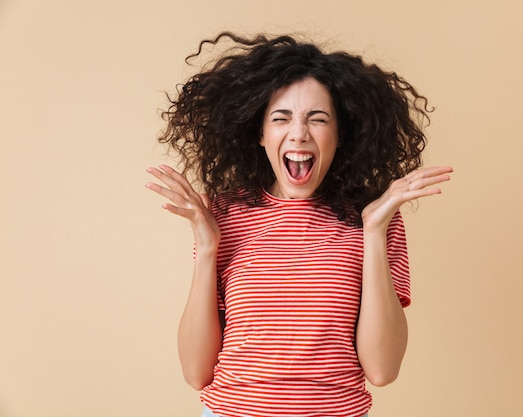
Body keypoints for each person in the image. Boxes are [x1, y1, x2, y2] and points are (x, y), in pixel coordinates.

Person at [146, 31, 452, 417]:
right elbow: (195, 373)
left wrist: (373, 233)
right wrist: (207, 247)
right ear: (260, 133)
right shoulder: (224, 213)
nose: (299, 133)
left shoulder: (376, 217)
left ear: (341, 135)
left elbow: (382, 369)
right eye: (281, 118)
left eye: (318, 119)